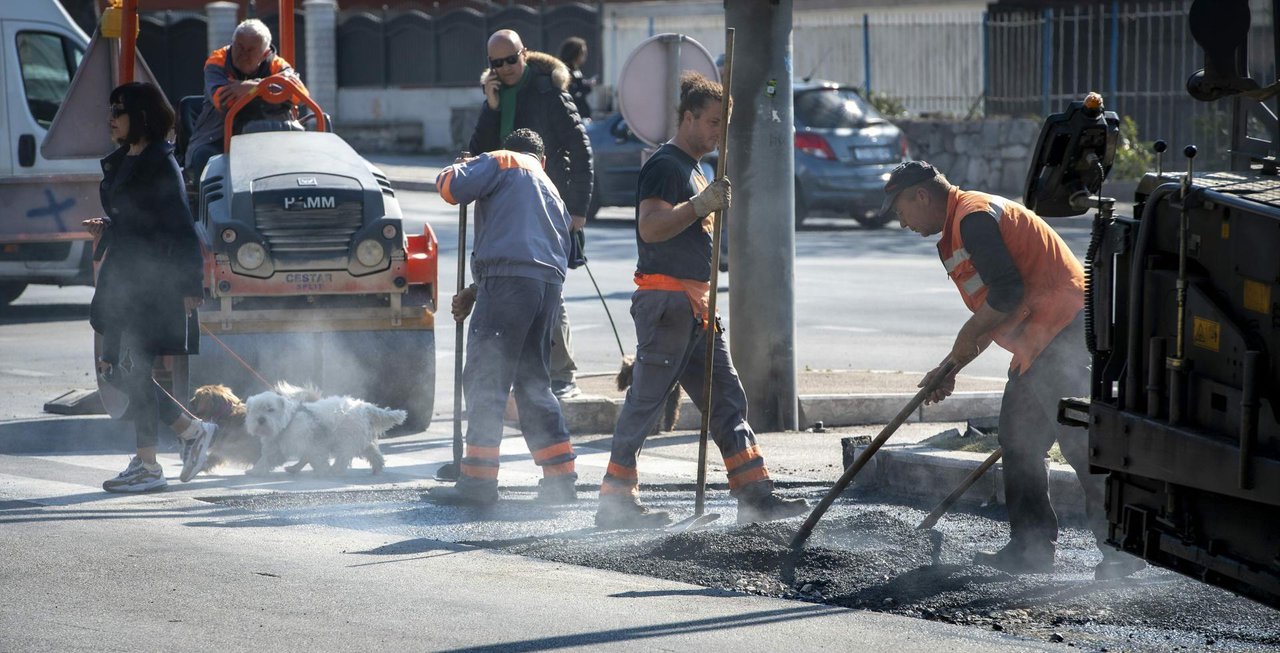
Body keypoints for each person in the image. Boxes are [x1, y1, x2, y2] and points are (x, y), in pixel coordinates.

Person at [881, 160, 1146, 580]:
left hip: (1062, 330)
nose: (902, 223)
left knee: (1080, 443)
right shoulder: (955, 230)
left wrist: (955, 353)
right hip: (1035, 343)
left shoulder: (973, 218)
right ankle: (1032, 547)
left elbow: (1007, 292)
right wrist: (950, 368)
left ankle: (1122, 551)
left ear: (921, 196)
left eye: (900, 211)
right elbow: (994, 312)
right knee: (1018, 439)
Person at [595, 72, 809, 529]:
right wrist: (699, 205)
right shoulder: (665, 165)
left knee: (728, 400)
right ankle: (614, 504)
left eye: (723, 124)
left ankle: (755, 497)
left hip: (696, 308)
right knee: (646, 403)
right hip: (667, 304)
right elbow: (650, 228)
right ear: (688, 117)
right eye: (712, 122)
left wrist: (704, 201)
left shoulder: (696, 170)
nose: (718, 133)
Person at [427, 129, 579, 506]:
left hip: (509, 284)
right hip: (545, 289)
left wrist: (463, 166)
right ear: (543, 160)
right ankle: (560, 480)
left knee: (485, 378)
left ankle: (477, 484)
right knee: (534, 384)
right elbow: (538, 253)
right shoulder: (550, 188)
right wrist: (479, 292)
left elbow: (448, 188)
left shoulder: (502, 160)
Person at [88, 82, 218, 493]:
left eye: (119, 111)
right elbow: (139, 220)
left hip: (152, 283)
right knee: (123, 371)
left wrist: (190, 282)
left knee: (130, 370)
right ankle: (190, 433)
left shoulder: (162, 162)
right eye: (111, 109)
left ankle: (151, 462)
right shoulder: (127, 159)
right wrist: (109, 227)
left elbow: (180, 226)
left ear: (141, 116)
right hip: (126, 281)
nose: (111, 118)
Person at [469, 28, 593, 400]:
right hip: (505, 208)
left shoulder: (547, 90)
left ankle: (562, 373)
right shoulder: (495, 97)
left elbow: (581, 148)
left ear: (524, 54)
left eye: (511, 59)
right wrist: (492, 108)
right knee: (516, 287)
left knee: (548, 285)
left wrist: (578, 209)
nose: (505, 68)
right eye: (497, 63)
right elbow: (477, 153)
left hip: (547, 203)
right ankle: (525, 373)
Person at [185, 18, 304, 184]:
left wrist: (253, 87)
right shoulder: (217, 62)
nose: (243, 55)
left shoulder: (278, 65)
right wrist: (272, 91)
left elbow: (299, 94)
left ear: (265, 54)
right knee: (205, 159)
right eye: (239, 47)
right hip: (218, 136)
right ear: (232, 43)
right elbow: (224, 101)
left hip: (271, 136)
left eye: (251, 50)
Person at [558, 36, 594, 121]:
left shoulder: (576, 70)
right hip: (571, 117)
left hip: (580, 116)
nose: (585, 56)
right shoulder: (564, 72)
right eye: (583, 53)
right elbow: (571, 94)